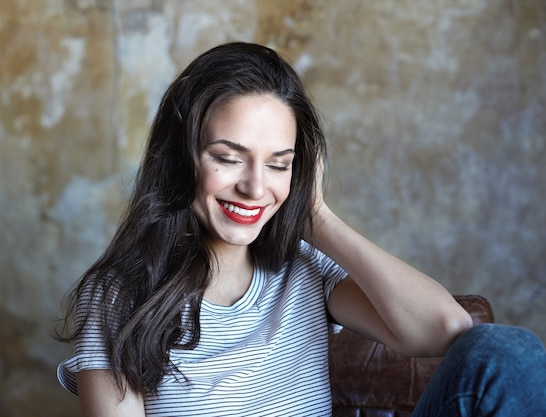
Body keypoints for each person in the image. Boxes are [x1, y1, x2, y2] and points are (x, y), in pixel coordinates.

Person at [57, 42, 546, 416]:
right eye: (228, 158)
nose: (254, 187)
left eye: (279, 164)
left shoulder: (304, 270)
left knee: (509, 352)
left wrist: (316, 217)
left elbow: (449, 329)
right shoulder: (118, 297)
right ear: (180, 160)